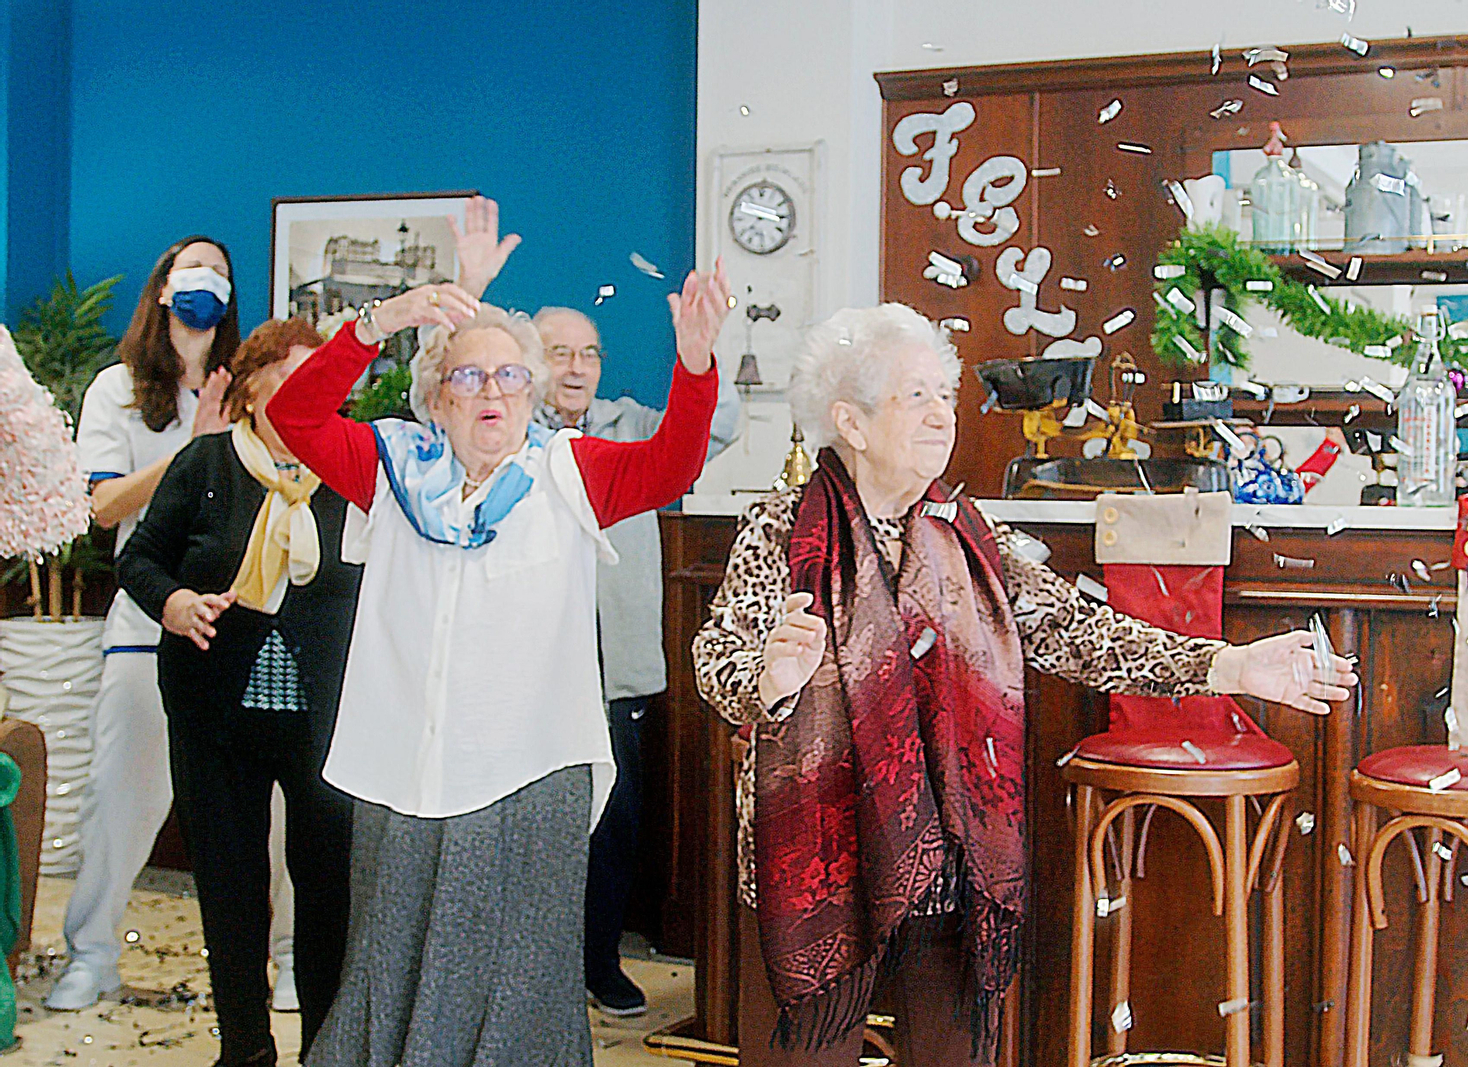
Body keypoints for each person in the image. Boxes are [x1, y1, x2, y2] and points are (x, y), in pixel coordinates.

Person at [692, 304, 1357, 1067]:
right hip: (819, 857)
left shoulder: (965, 532)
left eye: (945, 394)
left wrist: (1226, 665)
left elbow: (1078, 630)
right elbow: (719, 663)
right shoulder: (782, 527)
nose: (943, 413)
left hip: (950, 847)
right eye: (917, 396)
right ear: (853, 420)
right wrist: (770, 677)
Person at [266, 263, 732, 1066]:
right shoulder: (391, 469)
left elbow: (674, 465)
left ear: (532, 390)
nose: (494, 388)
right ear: (438, 394)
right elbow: (292, 413)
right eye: (470, 373)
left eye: (513, 374)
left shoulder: (568, 471)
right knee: (394, 961)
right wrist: (375, 323)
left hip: (529, 772)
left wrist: (693, 366)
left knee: (511, 981)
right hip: (404, 773)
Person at [116, 318, 361, 1066]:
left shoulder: (352, 471)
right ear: (249, 390)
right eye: (287, 377)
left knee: (326, 892)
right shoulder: (204, 463)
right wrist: (175, 602)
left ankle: (325, 1046)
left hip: (324, 719)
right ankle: (246, 1047)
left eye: (318, 378)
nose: (303, 392)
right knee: (230, 887)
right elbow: (140, 558)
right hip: (213, 711)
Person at [48, 235, 279, 1011]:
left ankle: (282, 956)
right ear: (162, 289)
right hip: (147, 617)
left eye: (219, 273)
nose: (204, 288)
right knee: (122, 792)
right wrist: (193, 447)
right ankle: (91, 953)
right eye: (191, 273)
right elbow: (102, 505)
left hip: (244, 624)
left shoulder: (249, 382)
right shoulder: (117, 388)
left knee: (276, 804)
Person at [527, 304, 741, 1016]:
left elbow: (718, 426)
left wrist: (707, 351)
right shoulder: (503, 431)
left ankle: (598, 961)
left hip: (612, 666)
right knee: (531, 821)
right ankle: (531, 969)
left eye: (588, 352)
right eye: (559, 352)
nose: (576, 367)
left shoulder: (636, 428)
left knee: (613, 821)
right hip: (526, 668)